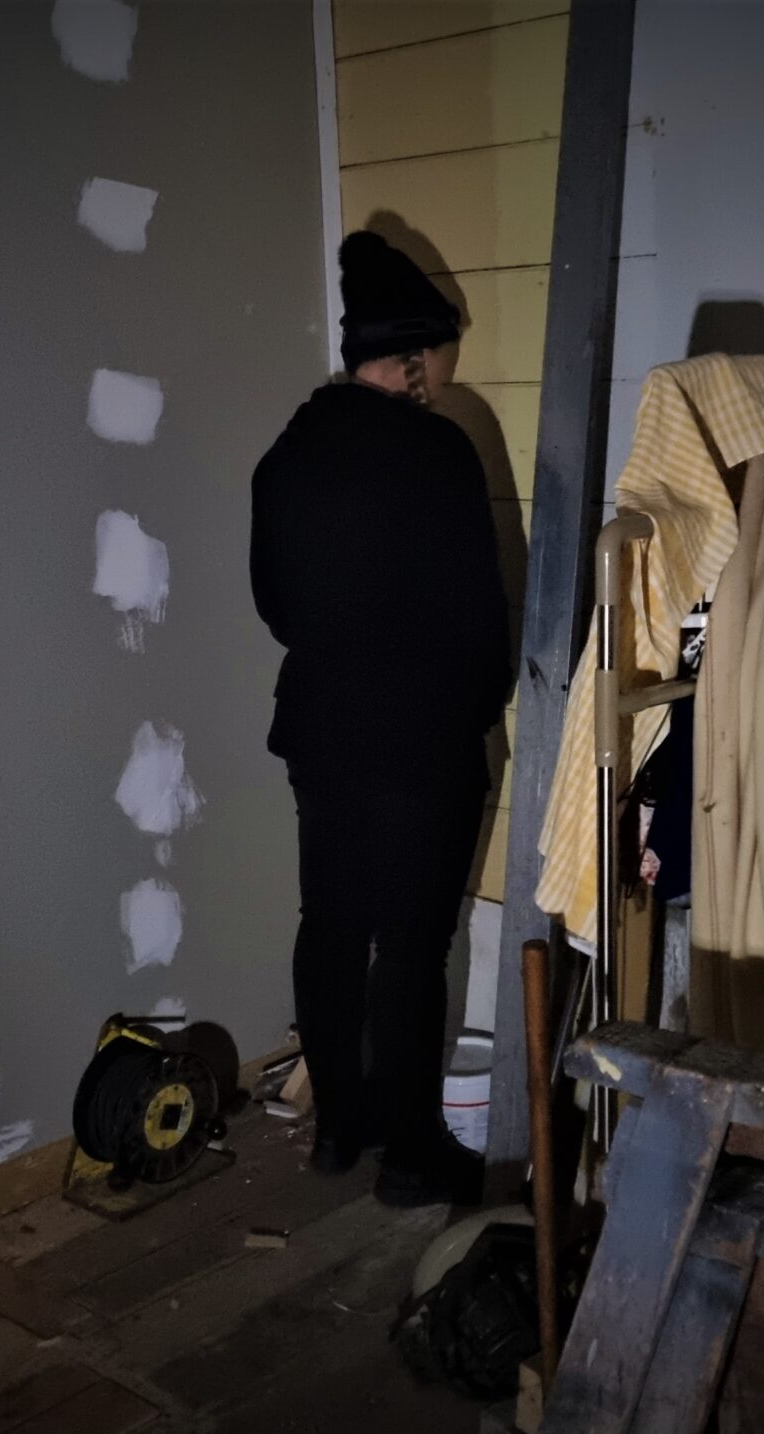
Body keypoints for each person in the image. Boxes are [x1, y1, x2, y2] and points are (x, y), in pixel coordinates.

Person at [250, 232, 512, 1208]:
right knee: (410, 944)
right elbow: (481, 616)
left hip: (322, 731)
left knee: (330, 922)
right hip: (421, 740)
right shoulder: (438, 451)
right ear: (409, 357)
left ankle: (339, 1129)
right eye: (438, 359)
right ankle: (410, 1155)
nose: (442, 379)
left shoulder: (288, 452)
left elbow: (276, 607)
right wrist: (476, 711)